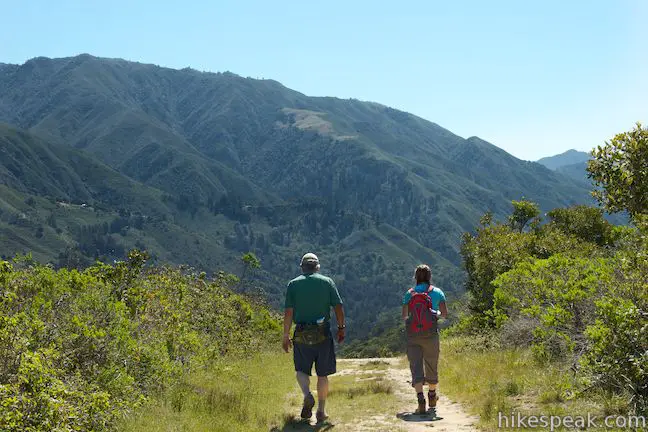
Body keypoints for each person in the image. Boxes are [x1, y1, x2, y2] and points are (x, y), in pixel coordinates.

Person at [282, 253, 345, 423]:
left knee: (301, 370)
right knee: (323, 374)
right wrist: (341, 328)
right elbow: (338, 307)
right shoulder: (327, 282)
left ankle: (307, 395)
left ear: (302, 267)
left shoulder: (293, 284)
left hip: (301, 334)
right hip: (323, 333)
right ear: (317, 267)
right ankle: (321, 412)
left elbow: (289, 312)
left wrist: (286, 335)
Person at [402, 264, 448, 414]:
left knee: (415, 366)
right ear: (429, 277)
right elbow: (445, 314)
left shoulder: (409, 294)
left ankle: (420, 399)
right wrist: (435, 313)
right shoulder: (438, 292)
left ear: (415, 277)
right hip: (431, 334)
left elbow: (405, 316)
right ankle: (432, 395)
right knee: (431, 364)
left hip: (413, 335)